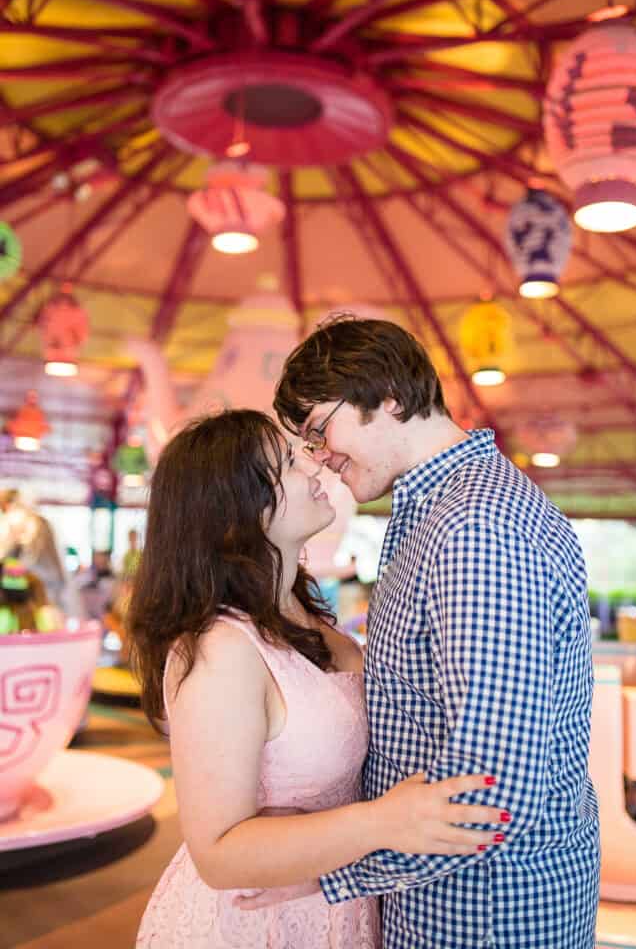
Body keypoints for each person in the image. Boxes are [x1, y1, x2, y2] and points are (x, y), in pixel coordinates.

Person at [269, 316, 600, 949]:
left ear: (388, 395)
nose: (321, 456)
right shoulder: (444, 512)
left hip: (489, 908)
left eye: (319, 429)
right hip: (451, 895)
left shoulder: (477, 527)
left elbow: (493, 785)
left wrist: (330, 873)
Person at [128, 410, 508, 948]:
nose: (314, 463)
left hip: (334, 898)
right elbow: (218, 853)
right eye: (286, 462)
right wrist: (384, 821)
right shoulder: (222, 649)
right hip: (258, 921)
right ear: (237, 509)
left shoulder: (310, 618)